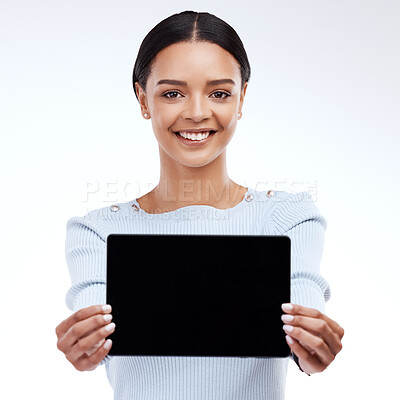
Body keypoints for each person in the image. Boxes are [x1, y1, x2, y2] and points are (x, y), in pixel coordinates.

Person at [55, 10, 344, 400]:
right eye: (172, 93)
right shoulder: (96, 231)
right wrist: (85, 345)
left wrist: (310, 349)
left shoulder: (288, 218)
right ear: (143, 99)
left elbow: (304, 305)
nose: (196, 111)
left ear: (242, 99)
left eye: (219, 93)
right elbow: (94, 334)